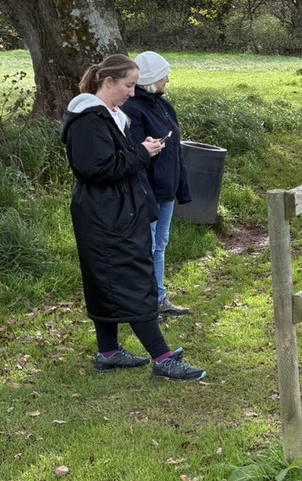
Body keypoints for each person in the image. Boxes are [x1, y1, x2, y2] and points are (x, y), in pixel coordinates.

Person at [61, 54, 206, 382]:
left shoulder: (111, 116)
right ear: (108, 81)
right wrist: (141, 153)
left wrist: (143, 150)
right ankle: (163, 360)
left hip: (115, 209)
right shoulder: (88, 119)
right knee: (132, 282)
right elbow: (93, 169)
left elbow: (115, 160)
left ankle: (108, 353)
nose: (132, 92)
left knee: (107, 281)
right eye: (128, 85)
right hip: (104, 214)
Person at [124, 51, 193, 318]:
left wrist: (180, 185)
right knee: (148, 247)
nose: (167, 80)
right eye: (164, 75)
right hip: (148, 191)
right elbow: (136, 155)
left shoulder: (163, 106)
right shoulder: (133, 110)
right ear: (152, 78)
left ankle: (159, 298)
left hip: (165, 190)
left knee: (160, 244)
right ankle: (146, 303)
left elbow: (175, 149)